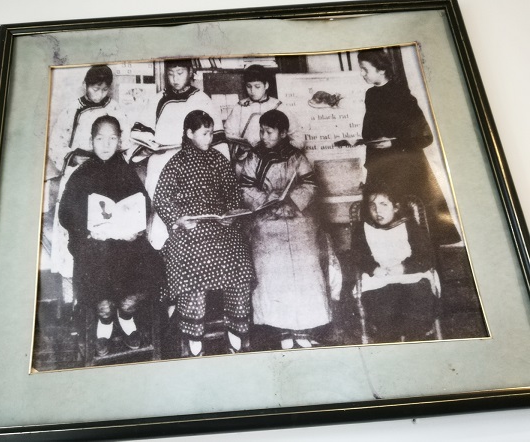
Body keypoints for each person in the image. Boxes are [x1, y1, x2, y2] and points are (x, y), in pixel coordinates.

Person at [58, 116, 163, 357]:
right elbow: (66, 213)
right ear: (91, 141)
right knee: (103, 301)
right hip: (93, 244)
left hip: (126, 243)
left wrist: (133, 227)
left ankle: (126, 316)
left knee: (146, 273)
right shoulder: (81, 174)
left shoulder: (125, 170)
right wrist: (88, 230)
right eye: (100, 139)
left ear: (119, 141)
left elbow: (142, 204)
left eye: (112, 139)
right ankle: (104, 323)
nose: (106, 145)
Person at [153, 110, 254, 357]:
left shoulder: (219, 160)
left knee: (240, 267)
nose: (210, 138)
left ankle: (236, 332)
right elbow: (161, 198)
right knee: (192, 273)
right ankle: (194, 337)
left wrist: (231, 214)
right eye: (205, 133)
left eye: (211, 133)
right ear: (190, 133)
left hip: (220, 228)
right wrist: (179, 220)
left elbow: (232, 193)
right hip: (191, 231)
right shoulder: (176, 163)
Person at [240, 109, 336, 350]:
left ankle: (302, 328)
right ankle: (282, 328)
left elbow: (311, 184)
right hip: (266, 221)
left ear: (283, 133)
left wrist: (292, 201)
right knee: (272, 269)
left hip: (297, 218)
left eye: (269, 132)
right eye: (261, 131)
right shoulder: (254, 157)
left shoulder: (296, 157)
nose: (264, 136)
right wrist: (268, 200)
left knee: (306, 265)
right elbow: (245, 187)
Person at [47, 64, 131, 310]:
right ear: (86, 85)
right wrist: (73, 157)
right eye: (96, 88)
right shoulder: (72, 110)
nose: (100, 94)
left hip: (106, 172)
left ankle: (107, 296)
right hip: (78, 171)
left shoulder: (114, 109)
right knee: (75, 230)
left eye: (105, 89)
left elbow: (123, 141)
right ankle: (73, 297)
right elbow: (56, 145)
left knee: (106, 230)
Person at [357, 48, 460, 246]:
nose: (361, 73)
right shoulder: (371, 95)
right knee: (378, 217)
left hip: (405, 167)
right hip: (380, 166)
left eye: (364, 69)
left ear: (381, 69)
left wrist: (394, 143)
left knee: (411, 221)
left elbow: (424, 136)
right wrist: (371, 142)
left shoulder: (402, 96)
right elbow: (368, 132)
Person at [132, 59, 229, 250]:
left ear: (190, 72)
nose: (175, 79)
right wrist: (150, 142)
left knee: (192, 211)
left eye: (180, 73)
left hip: (192, 164)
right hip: (160, 161)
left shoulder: (201, 99)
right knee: (159, 207)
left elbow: (215, 139)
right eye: (170, 74)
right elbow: (140, 131)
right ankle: (161, 250)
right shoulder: (158, 98)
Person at [351, 182, 439, 343]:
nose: (378, 211)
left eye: (384, 204)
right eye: (372, 206)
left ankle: (415, 339)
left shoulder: (409, 226)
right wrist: (373, 268)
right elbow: (358, 255)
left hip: (411, 276)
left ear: (396, 207)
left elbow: (426, 257)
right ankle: (390, 340)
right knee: (384, 309)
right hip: (379, 279)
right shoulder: (363, 229)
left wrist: (404, 267)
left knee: (417, 303)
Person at [224, 64, 303, 173]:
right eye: (248, 86)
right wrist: (239, 151)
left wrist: (284, 153)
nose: (252, 91)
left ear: (266, 85)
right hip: (245, 164)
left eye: (257, 86)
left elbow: (298, 137)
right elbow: (229, 135)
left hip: (275, 164)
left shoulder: (278, 106)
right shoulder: (240, 107)